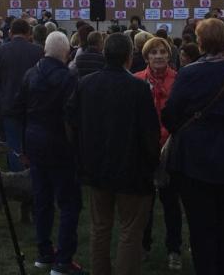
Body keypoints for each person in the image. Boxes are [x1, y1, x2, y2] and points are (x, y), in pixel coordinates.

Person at [159, 19, 224, 275]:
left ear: (200, 43)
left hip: (197, 162)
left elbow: (169, 114)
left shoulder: (190, 73)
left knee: (202, 229)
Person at [67, 33, 159, 275]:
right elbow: (150, 133)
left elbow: (71, 123)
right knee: (130, 231)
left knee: (100, 228)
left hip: (97, 168)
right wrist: (153, 164)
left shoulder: (86, 84)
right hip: (132, 170)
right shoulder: (138, 88)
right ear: (129, 58)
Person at [13, 31, 84, 274]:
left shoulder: (30, 74)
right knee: (69, 202)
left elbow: (18, 110)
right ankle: (64, 259)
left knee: (42, 199)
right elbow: (74, 117)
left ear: (45, 49)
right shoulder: (68, 78)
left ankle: (45, 252)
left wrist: (23, 145)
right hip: (60, 145)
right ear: (66, 53)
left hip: (34, 142)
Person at [132, 37, 183, 270]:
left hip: (171, 149)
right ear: (146, 57)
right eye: (154, 52)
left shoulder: (179, 80)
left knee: (171, 203)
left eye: (163, 51)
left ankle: (174, 249)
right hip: (145, 150)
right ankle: (144, 245)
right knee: (145, 203)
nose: (159, 56)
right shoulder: (136, 81)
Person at [0, 19, 44, 172]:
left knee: (13, 145)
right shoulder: (38, 51)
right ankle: (33, 177)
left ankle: (17, 178)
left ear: (10, 33)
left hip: (9, 104)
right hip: (33, 105)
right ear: (28, 33)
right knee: (33, 143)